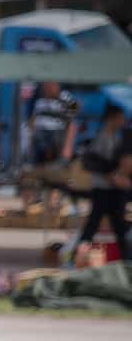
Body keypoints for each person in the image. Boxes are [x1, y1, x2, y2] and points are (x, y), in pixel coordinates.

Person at [75, 104, 132, 257]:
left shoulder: (117, 136)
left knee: (117, 226)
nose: (123, 120)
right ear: (112, 118)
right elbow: (95, 163)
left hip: (114, 188)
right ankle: (78, 255)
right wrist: (113, 177)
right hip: (103, 188)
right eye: (120, 117)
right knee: (95, 224)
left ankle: (126, 258)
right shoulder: (101, 137)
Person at [29, 81, 77, 168]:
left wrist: (67, 147)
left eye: (50, 85)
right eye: (45, 85)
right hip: (40, 141)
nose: (47, 87)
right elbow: (32, 120)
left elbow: (73, 123)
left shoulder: (67, 97)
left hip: (57, 139)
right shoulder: (38, 99)